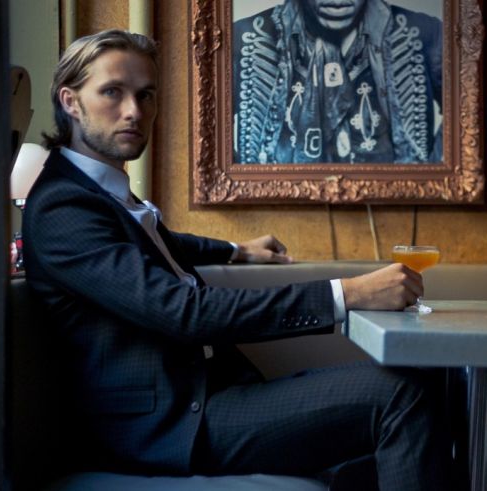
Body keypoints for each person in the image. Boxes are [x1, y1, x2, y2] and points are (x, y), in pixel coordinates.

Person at [22, 29, 450, 491]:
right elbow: (183, 313)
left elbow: (155, 244)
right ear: (70, 101)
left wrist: (235, 250)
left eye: (146, 95)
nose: (134, 111)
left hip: (211, 397)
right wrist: (348, 293)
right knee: (403, 395)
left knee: (427, 392)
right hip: (166, 427)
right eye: (112, 92)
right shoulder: (62, 206)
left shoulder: (103, 195)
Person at [232, 0, 442, 164]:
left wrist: (430, 178)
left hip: (395, 211)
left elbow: (469, 106)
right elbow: (204, 130)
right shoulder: (247, 38)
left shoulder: (423, 35)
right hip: (279, 211)